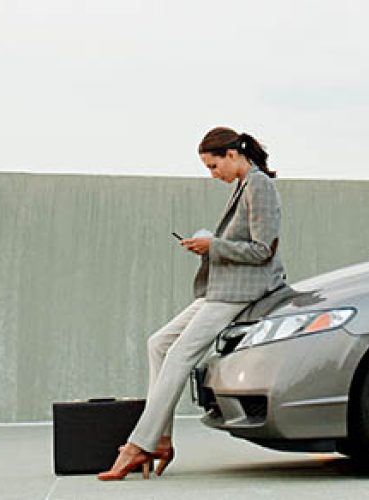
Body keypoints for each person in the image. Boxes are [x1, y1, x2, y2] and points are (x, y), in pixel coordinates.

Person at [98, 127, 286, 480]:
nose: (213, 175)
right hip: (222, 288)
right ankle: (162, 440)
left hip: (242, 290)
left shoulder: (260, 186)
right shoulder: (243, 186)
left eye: (214, 166)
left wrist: (212, 246)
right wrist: (210, 243)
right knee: (159, 343)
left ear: (232, 155)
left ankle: (138, 445)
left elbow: (264, 250)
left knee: (179, 355)